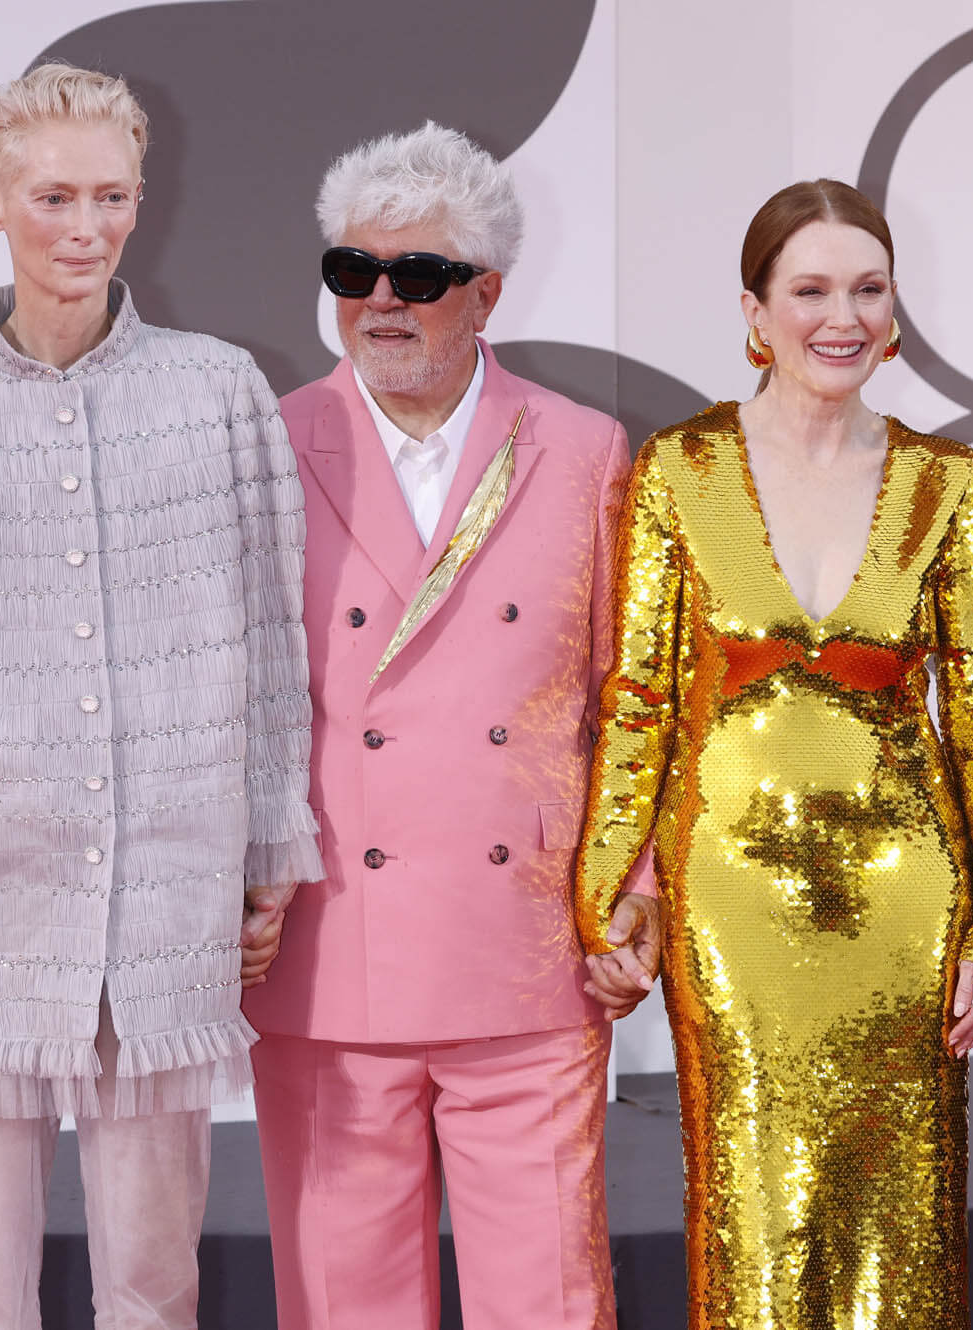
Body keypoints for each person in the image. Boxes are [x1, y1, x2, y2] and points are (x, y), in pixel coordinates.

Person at [0, 63, 321, 1330]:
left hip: (167, 890)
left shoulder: (219, 392)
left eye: (111, 196)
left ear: (142, 200)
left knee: (153, 1281)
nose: (85, 228)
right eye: (52, 197)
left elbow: (272, 642)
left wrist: (269, 851)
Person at [575, 178, 973, 1330]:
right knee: (753, 1216)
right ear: (754, 311)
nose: (842, 316)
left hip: (902, 904)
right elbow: (638, 700)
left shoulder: (946, 481)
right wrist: (605, 888)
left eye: (867, 289)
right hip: (730, 900)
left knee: (900, 1233)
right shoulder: (680, 469)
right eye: (811, 290)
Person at [240, 121, 657, 1330]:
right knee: (343, 1304)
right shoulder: (264, 445)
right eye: (351, 271)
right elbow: (222, 703)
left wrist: (630, 887)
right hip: (327, 944)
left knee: (548, 1301)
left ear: (484, 292)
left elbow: (626, 698)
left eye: (415, 275)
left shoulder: (581, 451)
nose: (379, 302)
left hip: (528, 946)